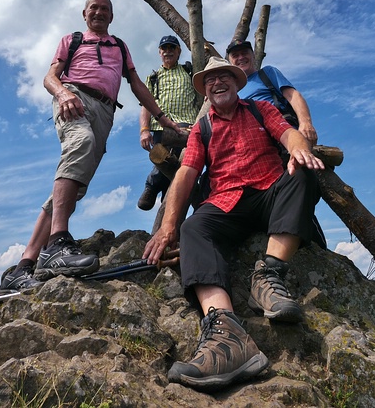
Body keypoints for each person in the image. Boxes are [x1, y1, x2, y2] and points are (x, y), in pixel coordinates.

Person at [142, 56, 325, 391]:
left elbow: (289, 136)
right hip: (226, 201)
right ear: (205, 90)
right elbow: (186, 174)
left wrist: (300, 151)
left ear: (237, 82)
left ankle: (268, 276)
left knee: (302, 172)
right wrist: (168, 227)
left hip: (270, 189)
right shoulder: (202, 127)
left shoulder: (259, 109)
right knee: (194, 228)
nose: (217, 83)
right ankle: (227, 335)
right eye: (209, 80)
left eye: (224, 76)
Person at [0, 0, 184, 294]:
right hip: (75, 98)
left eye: (105, 9)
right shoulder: (72, 40)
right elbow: (50, 77)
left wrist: (162, 119)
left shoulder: (120, 47)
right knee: (80, 143)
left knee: (73, 187)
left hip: (106, 111)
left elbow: (136, 85)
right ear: (84, 13)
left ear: (111, 16)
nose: (99, 12)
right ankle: (57, 243)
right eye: (94, 8)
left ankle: (23, 267)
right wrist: (63, 94)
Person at [136, 34, 200, 211]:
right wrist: (144, 130)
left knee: (178, 167)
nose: (168, 51)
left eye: (172, 48)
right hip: (160, 129)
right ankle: (166, 215)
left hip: (187, 127)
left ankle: (151, 186)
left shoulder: (190, 71)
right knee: (170, 169)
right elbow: (146, 106)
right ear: (159, 52)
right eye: (164, 48)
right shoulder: (153, 78)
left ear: (179, 52)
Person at [226, 39, 318, 148]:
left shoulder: (267, 73)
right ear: (230, 62)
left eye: (245, 53)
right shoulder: (230, 89)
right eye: (235, 55)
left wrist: (305, 123)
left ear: (253, 55)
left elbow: (293, 95)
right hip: (250, 140)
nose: (241, 57)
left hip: (282, 133)